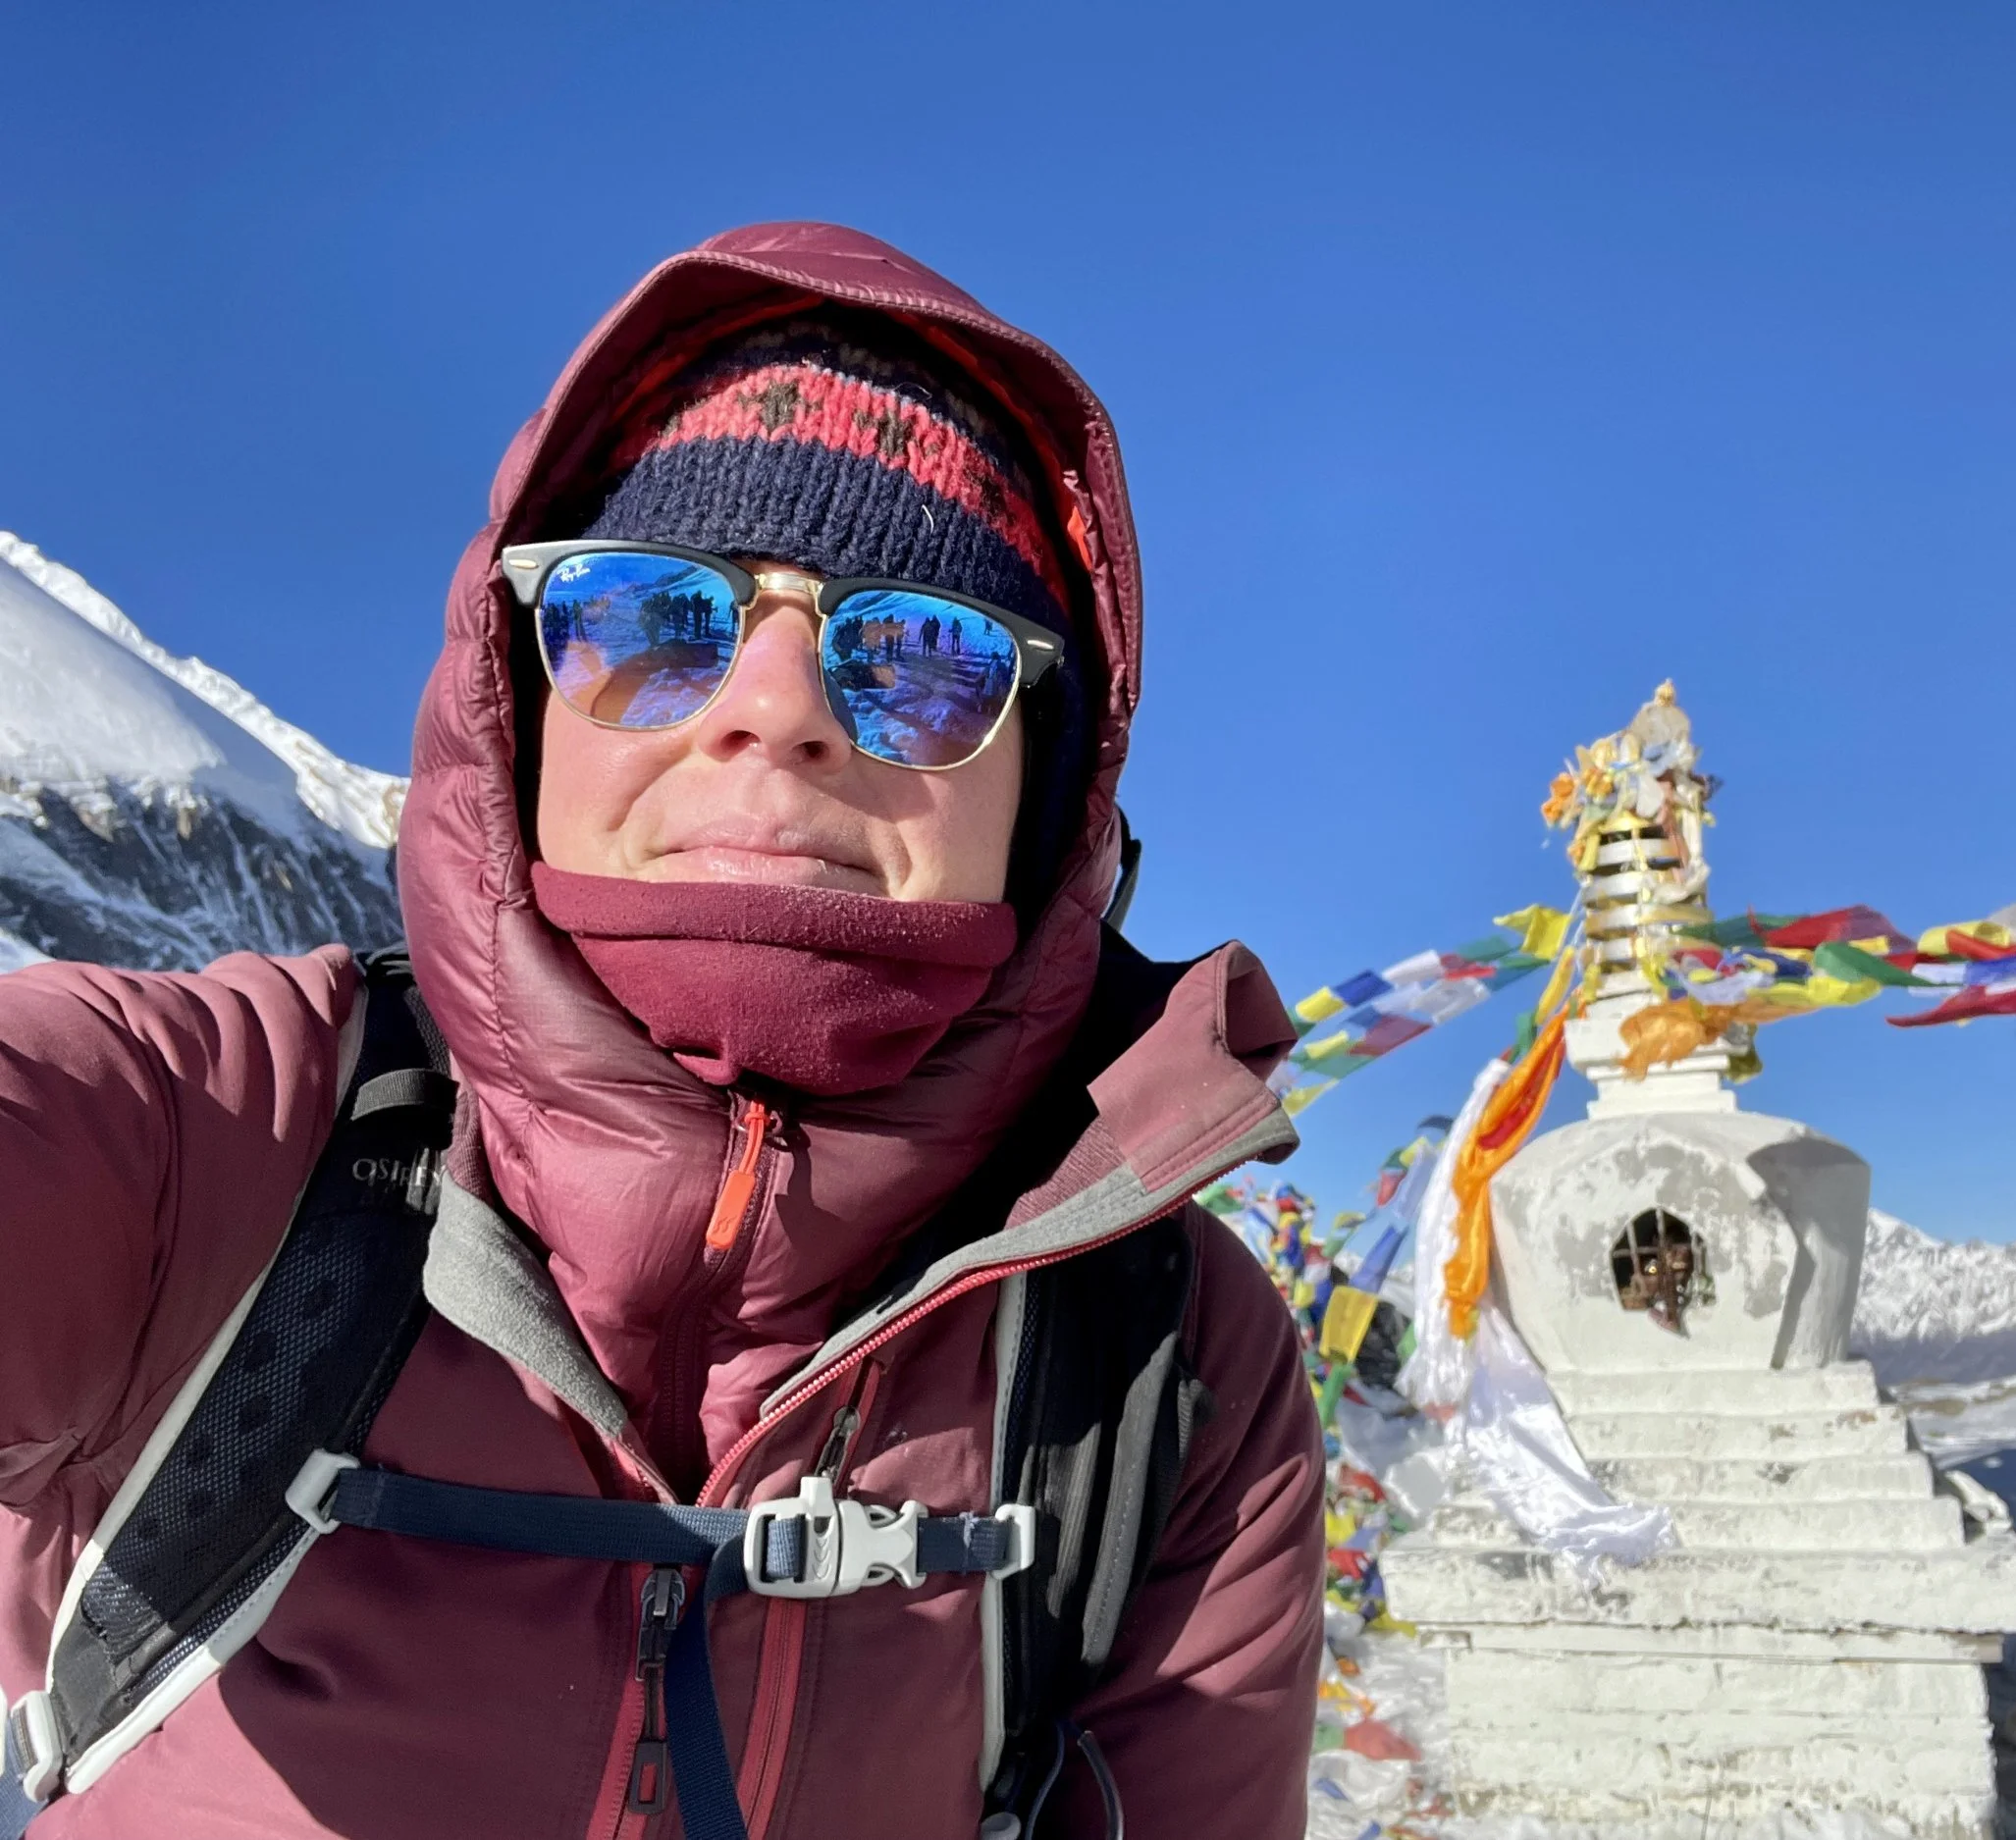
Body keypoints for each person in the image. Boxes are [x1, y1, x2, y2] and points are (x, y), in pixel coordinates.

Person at [0, 224, 1323, 1839]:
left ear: (1046, 796)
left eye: (921, 655)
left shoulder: (1166, 1364)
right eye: (650, 618)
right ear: (516, 698)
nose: (774, 706)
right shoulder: (215, 1143)